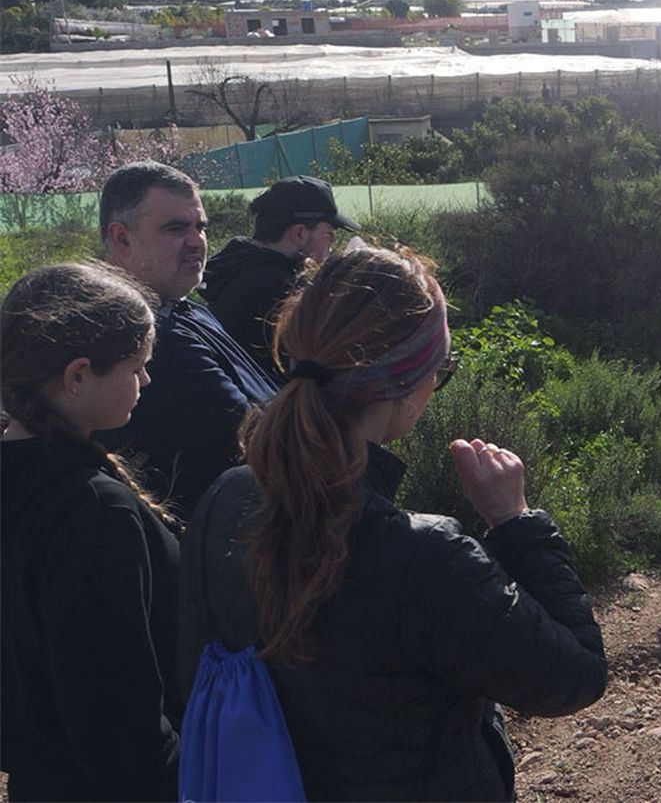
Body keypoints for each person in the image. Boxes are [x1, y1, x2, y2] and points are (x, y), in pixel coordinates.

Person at [179, 246, 607, 800]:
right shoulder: (425, 556)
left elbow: (191, 668)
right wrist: (515, 520)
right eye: (440, 370)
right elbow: (574, 676)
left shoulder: (223, 500)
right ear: (405, 383)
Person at [0, 263, 183, 801]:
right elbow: (118, 726)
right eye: (136, 365)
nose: (147, 380)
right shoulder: (92, 514)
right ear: (77, 375)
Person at [95, 161, 279, 521]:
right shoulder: (140, 339)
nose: (197, 242)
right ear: (122, 238)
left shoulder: (183, 309)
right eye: (176, 228)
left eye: (200, 227)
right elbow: (266, 440)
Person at [201, 175, 359, 377]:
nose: (333, 242)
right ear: (300, 233)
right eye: (329, 233)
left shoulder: (237, 267)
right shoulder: (280, 288)